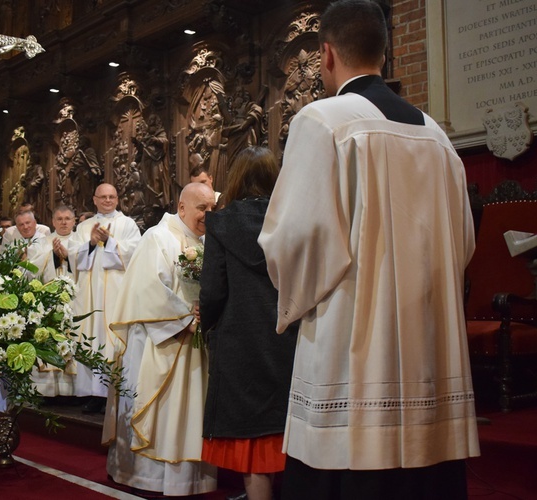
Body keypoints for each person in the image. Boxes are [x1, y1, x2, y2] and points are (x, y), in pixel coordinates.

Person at [257, 2, 479, 499]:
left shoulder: (322, 120)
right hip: (428, 352)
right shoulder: (437, 135)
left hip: (351, 354)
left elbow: (296, 240)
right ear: (385, 51)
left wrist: (291, 297)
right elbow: (462, 242)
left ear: (326, 55)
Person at [106, 182, 218, 497]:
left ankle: (192, 478)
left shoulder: (207, 241)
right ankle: (147, 476)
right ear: (182, 207)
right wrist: (186, 317)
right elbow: (147, 290)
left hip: (194, 341)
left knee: (190, 406)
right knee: (163, 407)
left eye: (211, 209)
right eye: (201, 208)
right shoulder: (157, 237)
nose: (207, 215)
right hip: (160, 341)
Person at [199, 146, 297, 500]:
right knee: (288, 428)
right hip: (289, 336)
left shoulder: (223, 223)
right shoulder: (292, 218)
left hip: (240, 340)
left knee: (253, 440)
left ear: (236, 178)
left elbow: (212, 291)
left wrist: (206, 325)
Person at [67, 183, 141, 413]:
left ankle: (114, 392)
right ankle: (94, 395)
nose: (108, 200)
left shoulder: (127, 224)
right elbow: (71, 255)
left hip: (116, 294)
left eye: (112, 197)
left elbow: (135, 253)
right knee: (91, 337)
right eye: (103, 197)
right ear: (95, 199)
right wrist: (90, 242)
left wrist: (110, 241)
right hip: (89, 295)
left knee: (112, 339)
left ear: (117, 199)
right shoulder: (85, 226)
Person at [33, 205, 78, 398]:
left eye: (67, 218)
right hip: (50, 303)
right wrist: (52, 254)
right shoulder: (42, 242)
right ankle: (49, 391)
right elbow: (31, 269)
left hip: (76, 302)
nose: (64, 222)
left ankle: (73, 392)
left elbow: (89, 268)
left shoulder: (81, 241)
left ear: (74, 220)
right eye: (59, 219)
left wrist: (68, 256)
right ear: (52, 222)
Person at [1, 210, 53, 280]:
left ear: (35, 223)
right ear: (17, 227)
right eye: (21, 224)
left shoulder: (45, 241)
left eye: (28, 223)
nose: (25, 227)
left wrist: (26, 260)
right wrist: (17, 258)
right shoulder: (14, 245)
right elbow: (4, 266)